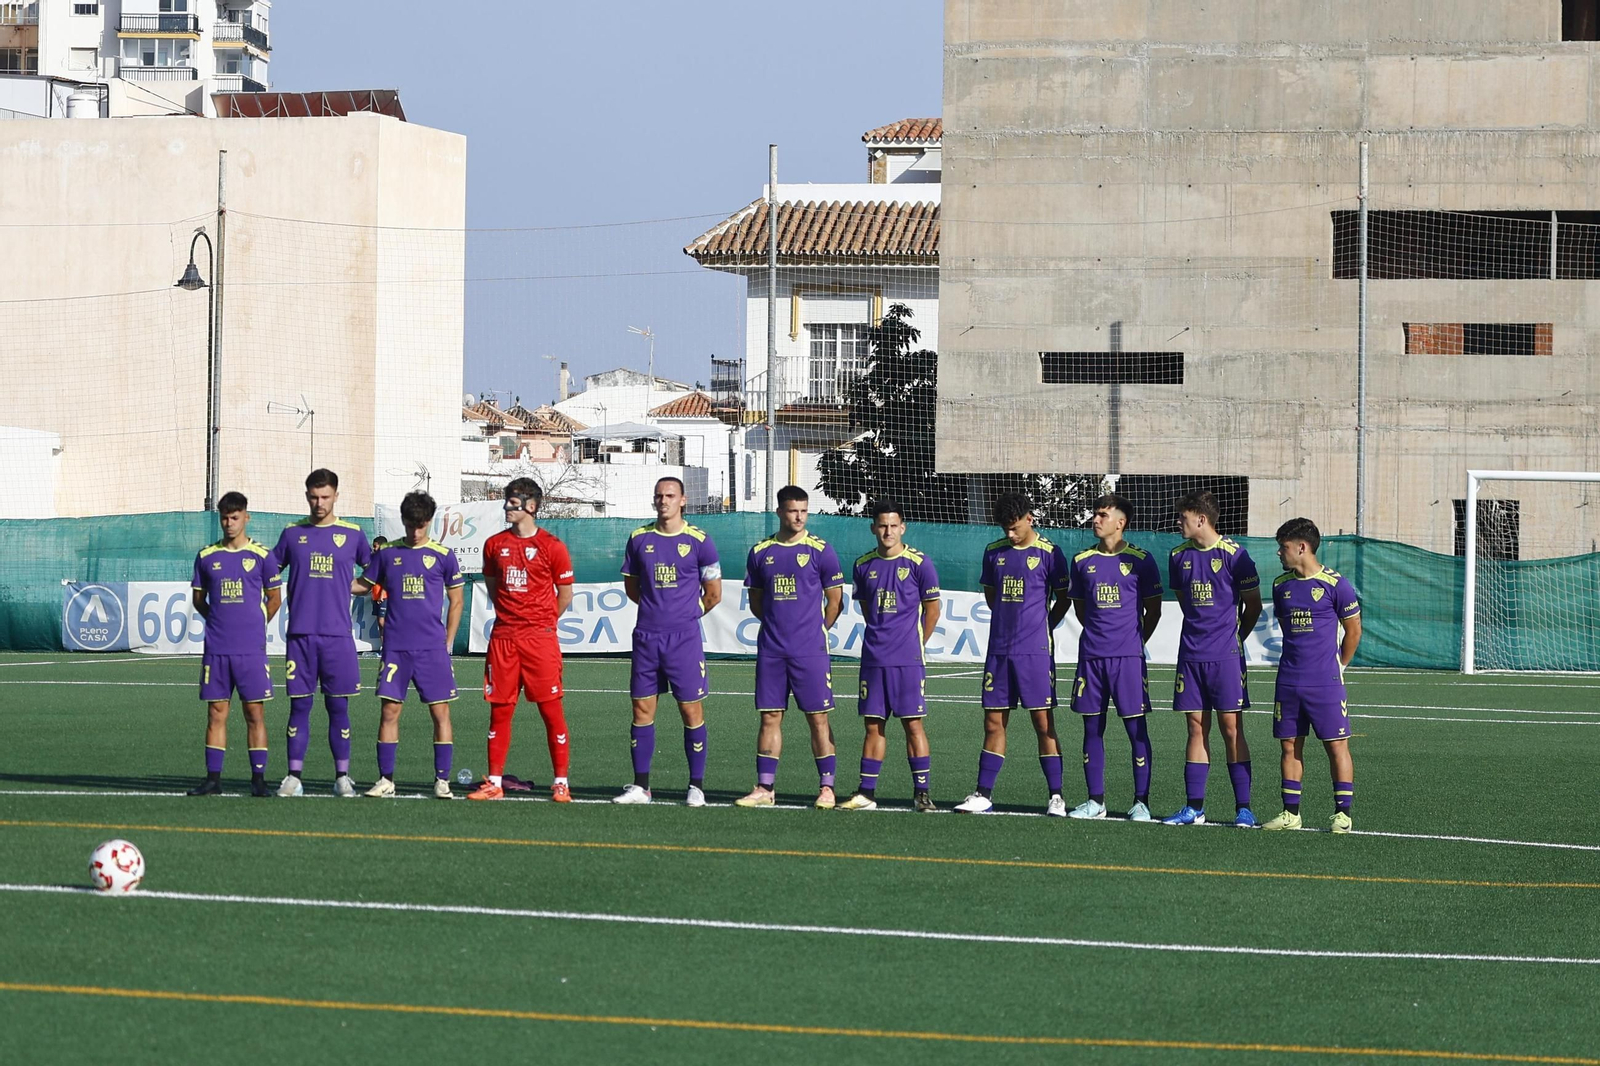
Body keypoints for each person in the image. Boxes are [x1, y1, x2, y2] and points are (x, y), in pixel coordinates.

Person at [955, 493, 1070, 816]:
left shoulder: (1049, 553)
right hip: (1000, 651)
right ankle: (983, 793)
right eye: (1005, 528)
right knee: (993, 723)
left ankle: (1056, 796)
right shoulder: (994, 553)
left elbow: (1063, 598)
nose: (1009, 534)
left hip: (1035, 653)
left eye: (1015, 527)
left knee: (1043, 723)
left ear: (1030, 519)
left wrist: (1042, 627)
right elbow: (992, 597)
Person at [735, 486, 846, 809]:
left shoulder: (820, 550)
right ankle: (765, 788)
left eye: (803, 510)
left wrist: (815, 631)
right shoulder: (760, 551)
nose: (799, 517)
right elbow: (757, 602)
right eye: (792, 510)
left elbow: (835, 601)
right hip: (771, 649)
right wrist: (776, 625)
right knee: (770, 717)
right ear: (780, 512)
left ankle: (827, 787)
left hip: (809, 651)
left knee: (818, 718)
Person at [614, 477, 721, 806]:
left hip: (684, 639)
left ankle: (696, 786)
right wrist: (656, 612)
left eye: (670, 496)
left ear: (683, 500)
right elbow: (633, 588)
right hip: (647, 636)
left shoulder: (700, 541)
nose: (664, 501)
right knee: (641, 709)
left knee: (691, 710)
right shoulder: (639, 539)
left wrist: (686, 614)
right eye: (659, 495)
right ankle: (641, 787)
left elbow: (714, 595)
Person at [265, 468, 373, 798]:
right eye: (313, 497)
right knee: (299, 707)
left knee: (338, 707)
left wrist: (351, 587)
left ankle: (342, 777)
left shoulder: (352, 534)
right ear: (307, 495)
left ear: (336, 496)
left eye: (325, 497)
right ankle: (294, 777)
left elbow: (374, 571)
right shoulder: (292, 533)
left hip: (338, 637)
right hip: (300, 636)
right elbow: (268, 569)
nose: (319, 503)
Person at [1162, 490, 1263, 827]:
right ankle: (1194, 807)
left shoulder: (1236, 555)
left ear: (1201, 519)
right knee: (1195, 727)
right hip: (1191, 656)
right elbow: (1184, 602)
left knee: (1231, 728)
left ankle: (1244, 808)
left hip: (1226, 658)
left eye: (1183, 517)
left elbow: (1254, 606)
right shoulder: (1178, 557)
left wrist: (1234, 639)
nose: (1179, 523)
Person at [470, 477, 575, 802]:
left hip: (539, 640)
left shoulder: (552, 546)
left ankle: (560, 782)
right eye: (506, 501)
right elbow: (491, 584)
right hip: (504, 639)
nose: (506, 508)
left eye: (512, 503)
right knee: (500, 711)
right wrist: (511, 618)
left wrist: (542, 623)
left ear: (531, 506)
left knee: (551, 711)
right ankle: (495, 782)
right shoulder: (493, 545)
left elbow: (566, 595)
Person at [355, 492, 464, 799]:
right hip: (396, 648)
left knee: (440, 713)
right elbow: (363, 585)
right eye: (410, 525)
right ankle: (386, 780)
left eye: (421, 525)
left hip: (432, 649)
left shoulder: (443, 554)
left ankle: (442, 780)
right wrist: (329, 582)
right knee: (389, 711)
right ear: (402, 521)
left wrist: (447, 644)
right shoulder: (387, 554)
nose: (416, 532)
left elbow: (456, 602)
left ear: (429, 521)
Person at [1065, 493, 1164, 821]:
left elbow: (1155, 610)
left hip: (1128, 659)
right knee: (1092, 729)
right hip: (1092, 658)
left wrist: (1134, 641)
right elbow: (1081, 607)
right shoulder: (1081, 560)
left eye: (1103, 515)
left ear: (1121, 522)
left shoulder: (1141, 560)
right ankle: (1095, 801)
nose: (1095, 519)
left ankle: (1141, 802)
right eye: (1095, 514)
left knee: (1136, 730)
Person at [1261, 518, 1363, 833]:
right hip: (1289, 681)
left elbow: (1353, 631)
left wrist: (1338, 666)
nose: (1279, 552)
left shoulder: (1336, 584)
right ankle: (1291, 814)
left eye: (1284, 547)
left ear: (1302, 547)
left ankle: (1342, 815)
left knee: (1336, 745)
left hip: (1325, 683)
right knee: (1289, 745)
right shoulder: (1281, 586)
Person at [838, 501, 941, 813]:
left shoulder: (919, 563)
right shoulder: (863, 565)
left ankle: (922, 793)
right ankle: (866, 792)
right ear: (873, 528)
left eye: (894, 525)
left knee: (913, 725)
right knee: (873, 726)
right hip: (873, 659)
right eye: (882, 525)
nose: (888, 531)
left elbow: (933, 609)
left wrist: (915, 642)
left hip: (907, 660)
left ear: (903, 528)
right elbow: (868, 611)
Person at [186, 492, 282, 797]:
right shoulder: (206, 557)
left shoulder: (263, 556)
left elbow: (275, 598)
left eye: (235, 517)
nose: (229, 523)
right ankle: (213, 779)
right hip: (217, 649)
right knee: (216, 712)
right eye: (225, 517)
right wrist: (218, 622)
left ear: (246, 517)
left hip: (251, 650)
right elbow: (199, 601)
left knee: (254, 713)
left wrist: (256, 621)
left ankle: (258, 780)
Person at [369, 536, 389, 633]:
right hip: (376, 596)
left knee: (382, 622)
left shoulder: (385, 561)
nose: (374, 548)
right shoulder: (374, 561)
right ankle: (384, 647)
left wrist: (382, 594)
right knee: (379, 625)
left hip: (384, 596)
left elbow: (387, 579)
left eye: (375, 546)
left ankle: (396, 642)